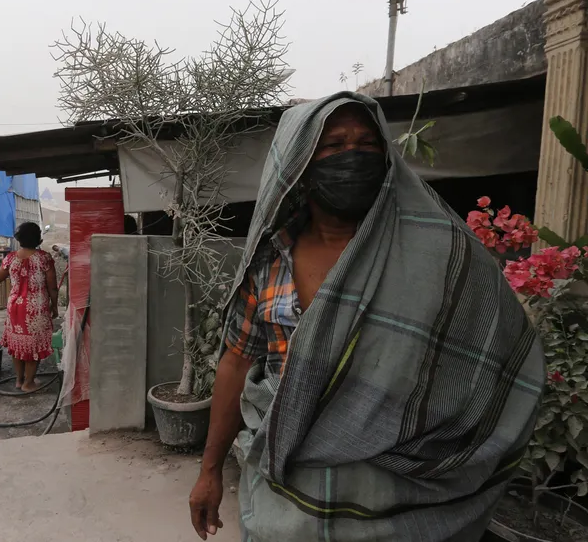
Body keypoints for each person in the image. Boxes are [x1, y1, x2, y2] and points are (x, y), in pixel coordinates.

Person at [188, 94, 544, 542]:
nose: (351, 156)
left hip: (401, 499)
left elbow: (503, 355)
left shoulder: (439, 252)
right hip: (285, 489)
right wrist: (209, 471)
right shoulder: (268, 261)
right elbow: (236, 362)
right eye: (333, 146)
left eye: (366, 143)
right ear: (299, 162)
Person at [0, 222, 58, 392]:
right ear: (38, 238)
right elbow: (53, 287)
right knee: (33, 345)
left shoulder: (11, 258)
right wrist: (54, 306)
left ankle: (19, 381)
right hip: (36, 308)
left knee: (18, 344)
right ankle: (29, 383)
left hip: (15, 308)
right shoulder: (44, 258)